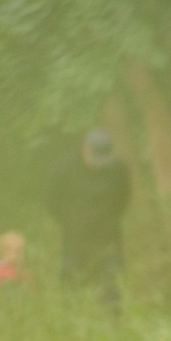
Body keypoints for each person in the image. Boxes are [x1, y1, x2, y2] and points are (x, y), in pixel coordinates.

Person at [48, 128, 130, 300]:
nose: (99, 164)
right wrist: (68, 220)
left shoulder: (118, 169)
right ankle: (71, 316)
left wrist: (110, 219)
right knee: (71, 280)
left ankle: (111, 322)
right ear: (85, 150)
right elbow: (51, 199)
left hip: (108, 234)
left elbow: (123, 198)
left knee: (110, 282)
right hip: (75, 234)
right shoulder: (64, 167)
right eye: (95, 158)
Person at [0, 231, 27, 299]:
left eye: (23, 250)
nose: (22, 255)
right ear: (6, 251)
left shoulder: (17, 269)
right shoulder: (2, 273)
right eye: (18, 251)